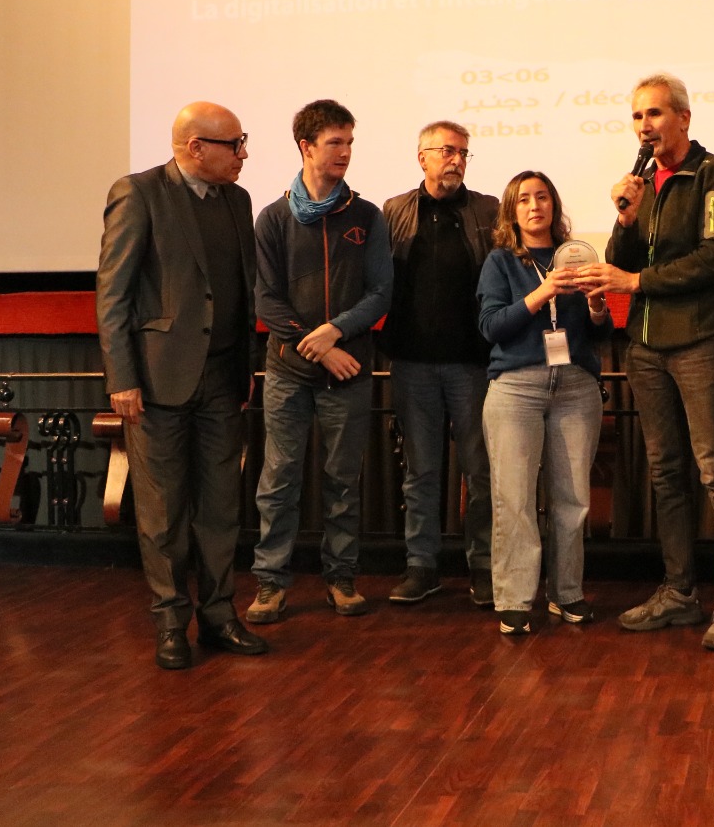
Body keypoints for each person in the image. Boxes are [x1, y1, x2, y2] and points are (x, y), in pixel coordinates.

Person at [577, 72, 714, 651]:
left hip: (700, 341)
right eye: (637, 116)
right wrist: (626, 220)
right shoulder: (642, 184)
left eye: (654, 113)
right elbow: (618, 259)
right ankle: (679, 592)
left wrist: (636, 281)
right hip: (646, 348)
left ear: (683, 117)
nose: (644, 125)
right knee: (665, 472)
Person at [97, 101, 269, 669]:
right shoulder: (139, 194)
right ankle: (171, 622)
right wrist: (122, 378)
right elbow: (114, 295)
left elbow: (240, 293)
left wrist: (247, 366)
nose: (243, 154)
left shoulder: (237, 201)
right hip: (157, 381)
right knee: (163, 512)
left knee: (220, 507)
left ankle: (219, 617)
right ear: (196, 148)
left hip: (223, 379)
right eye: (234, 144)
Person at [246, 100, 392, 625]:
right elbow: (266, 299)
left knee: (342, 481)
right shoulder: (273, 218)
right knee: (279, 479)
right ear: (306, 147)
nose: (345, 152)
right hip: (289, 372)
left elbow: (381, 292)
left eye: (349, 142)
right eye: (335, 142)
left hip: (348, 373)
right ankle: (270, 582)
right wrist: (320, 346)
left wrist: (337, 331)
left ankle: (341, 577)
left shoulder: (366, 216)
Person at [477, 171, 612, 635]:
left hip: (575, 386)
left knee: (573, 498)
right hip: (516, 388)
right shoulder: (500, 262)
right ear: (511, 212)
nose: (534, 206)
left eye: (542, 197)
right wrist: (542, 292)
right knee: (515, 499)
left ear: (554, 205)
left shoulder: (577, 257)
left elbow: (598, 334)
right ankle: (515, 598)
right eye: (524, 200)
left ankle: (567, 592)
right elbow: (491, 327)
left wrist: (596, 306)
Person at [381, 121, 496, 607]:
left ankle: (484, 566)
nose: (456, 160)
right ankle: (421, 567)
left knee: (480, 471)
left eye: (463, 153)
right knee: (421, 472)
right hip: (413, 363)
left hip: (472, 363)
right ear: (422, 157)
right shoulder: (395, 210)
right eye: (447, 151)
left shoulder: (487, 210)